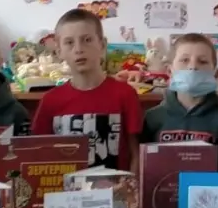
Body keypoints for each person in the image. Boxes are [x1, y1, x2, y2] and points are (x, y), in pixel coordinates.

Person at [31, 9, 143, 172]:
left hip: (116, 187)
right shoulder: (50, 101)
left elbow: (136, 154)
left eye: (87, 40)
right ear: (59, 51)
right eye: (69, 42)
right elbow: (39, 155)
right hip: (66, 188)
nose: (79, 49)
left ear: (102, 45)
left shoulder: (125, 94)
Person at [141, 33, 218, 144]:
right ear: (169, 71)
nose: (193, 67)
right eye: (185, 60)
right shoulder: (152, 118)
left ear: (215, 73)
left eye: (202, 61)